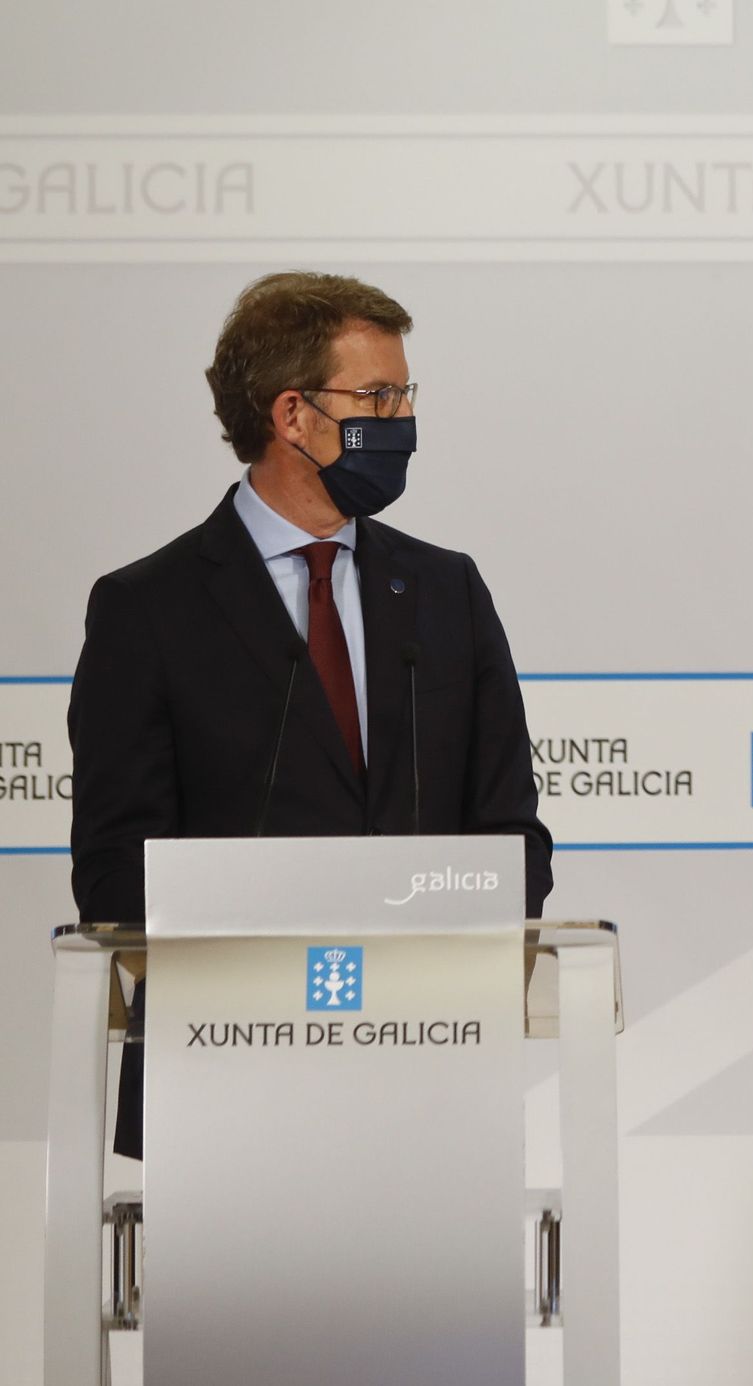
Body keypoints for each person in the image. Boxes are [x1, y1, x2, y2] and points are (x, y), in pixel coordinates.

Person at [69, 271, 552, 1157]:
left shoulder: (447, 591)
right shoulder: (148, 609)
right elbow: (113, 873)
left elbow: (513, 835)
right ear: (292, 414)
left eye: (406, 394)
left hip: (432, 1081)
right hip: (221, 1092)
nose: (401, 419)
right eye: (377, 395)